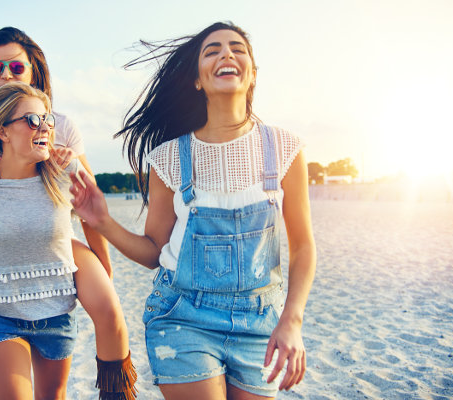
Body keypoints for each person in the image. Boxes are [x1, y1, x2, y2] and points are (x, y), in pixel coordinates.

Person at [69, 22, 316, 399]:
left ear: (252, 74)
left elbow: (302, 247)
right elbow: (154, 251)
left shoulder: (284, 149)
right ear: (198, 79)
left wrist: (292, 320)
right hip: (183, 317)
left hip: (260, 321)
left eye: (237, 48)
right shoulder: (169, 158)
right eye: (212, 50)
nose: (226, 54)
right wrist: (101, 220)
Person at [0, 28, 135, 400]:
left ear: (33, 70)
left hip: (50, 243)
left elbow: (89, 205)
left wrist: (103, 267)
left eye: (16, 66)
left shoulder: (60, 125)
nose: (5, 74)